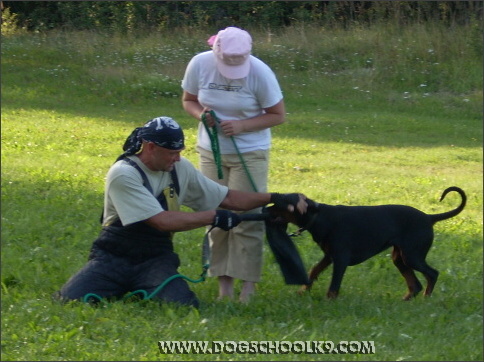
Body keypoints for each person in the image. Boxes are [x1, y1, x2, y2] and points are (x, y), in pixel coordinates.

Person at [55, 116, 307, 309]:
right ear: (150, 147)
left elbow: (228, 197)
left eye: (179, 152)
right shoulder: (124, 173)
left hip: (156, 257)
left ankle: (133, 287)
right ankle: (123, 285)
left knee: (183, 305)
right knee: (70, 300)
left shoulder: (179, 167)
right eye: (172, 153)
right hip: (113, 256)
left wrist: (276, 198)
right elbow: (161, 221)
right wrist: (213, 217)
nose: (177, 158)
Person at [181, 26, 286, 302]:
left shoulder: (260, 72)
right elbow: (189, 100)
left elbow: (277, 115)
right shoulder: (200, 63)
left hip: (250, 153)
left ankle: (248, 288)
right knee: (215, 214)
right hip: (210, 152)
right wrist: (201, 116)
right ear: (216, 51)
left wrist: (242, 125)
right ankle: (223, 287)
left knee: (247, 218)